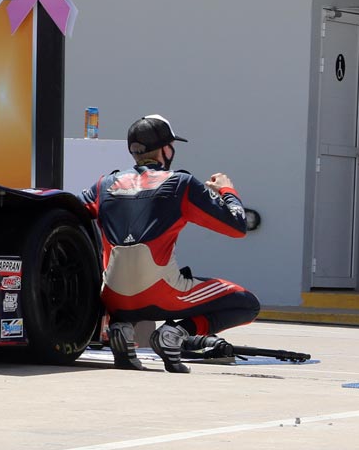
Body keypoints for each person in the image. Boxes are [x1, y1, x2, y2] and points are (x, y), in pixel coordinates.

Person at [81, 114, 260, 373]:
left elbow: (72, 207)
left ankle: (121, 329)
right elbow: (237, 227)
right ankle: (175, 334)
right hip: (162, 294)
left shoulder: (104, 184)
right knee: (247, 303)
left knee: (122, 274)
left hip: (114, 298)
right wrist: (226, 191)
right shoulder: (180, 183)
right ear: (166, 149)